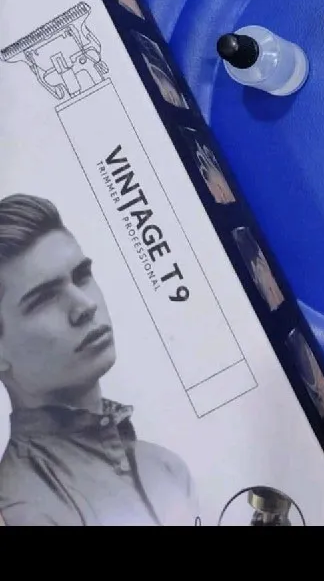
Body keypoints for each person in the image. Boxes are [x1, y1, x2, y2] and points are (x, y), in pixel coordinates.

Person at [0, 194, 198, 526]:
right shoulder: (19, 507)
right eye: (44, 299)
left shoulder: (166, 468)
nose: (85, 306)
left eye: (81, 276)